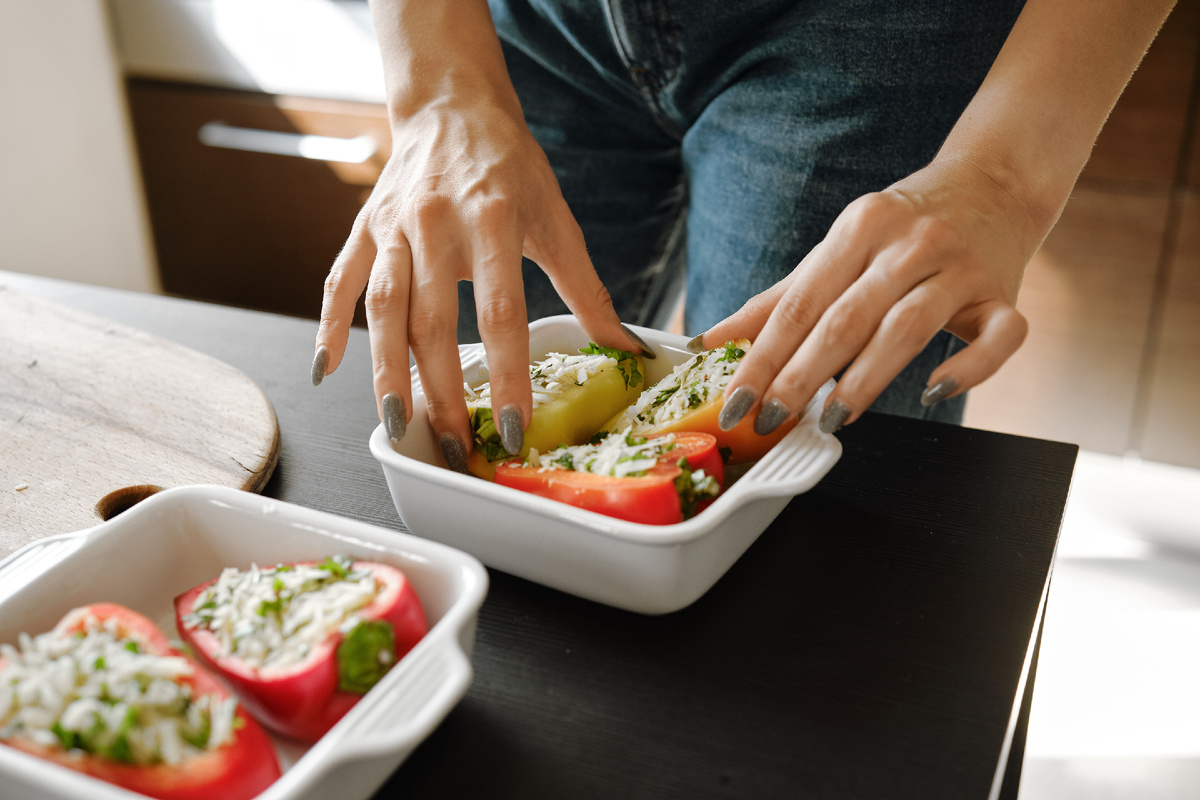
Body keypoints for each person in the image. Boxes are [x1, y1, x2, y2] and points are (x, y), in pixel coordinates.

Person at [311, 0, 1175, 472]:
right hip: (524, 25)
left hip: (881, 31)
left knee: (808, 522)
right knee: (471, 456)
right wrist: (433, 89)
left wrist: (1005, 178)